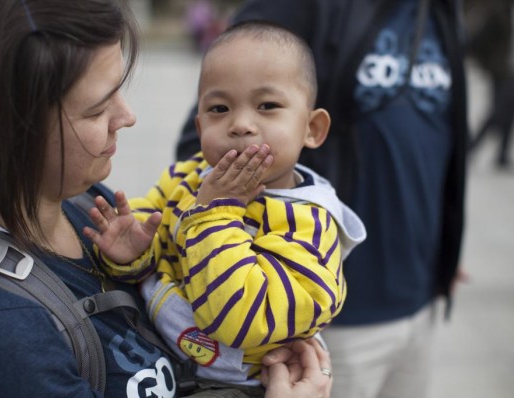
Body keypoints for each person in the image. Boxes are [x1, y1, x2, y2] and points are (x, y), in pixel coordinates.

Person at [0, 0, 333, 397]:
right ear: (8, 132)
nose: (127, 116)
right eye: (96, 111)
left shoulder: (81, 203)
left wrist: (139, 261)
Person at [176, 1, 469, 398]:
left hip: (421, 298)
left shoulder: (438, 11)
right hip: (320, 320)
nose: (244, 121)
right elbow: (215, 132)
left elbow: (439, 136)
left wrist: (446, 244)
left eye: (266, 106)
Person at [84, 21, 366, 392]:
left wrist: (215, 213)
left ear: (311, 128)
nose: (242, 124)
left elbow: (240, 317)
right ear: (200, 128)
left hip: (232, 383)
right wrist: (132, 254)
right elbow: (158, 239)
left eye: (268, 106)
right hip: (157, 351)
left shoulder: (311, 228)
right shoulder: (188, 177)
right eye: (219, 108)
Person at [465, 0, 514, 168]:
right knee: (498, 111)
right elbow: (479, 40)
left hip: (509, 71)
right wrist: (486, 63)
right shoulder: (499, 12)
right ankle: (470, 147)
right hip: (501, 71)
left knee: (509, 112)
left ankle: (502, 155)